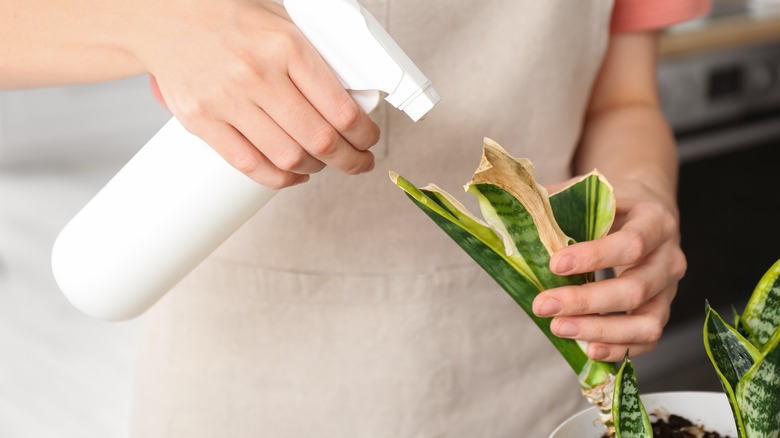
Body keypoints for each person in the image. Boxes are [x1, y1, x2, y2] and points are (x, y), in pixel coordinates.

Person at [2, 0, 708, 436]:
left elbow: (623, 101)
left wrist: (641, 196)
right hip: (247, 379)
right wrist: (151, 17)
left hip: (523, 370)